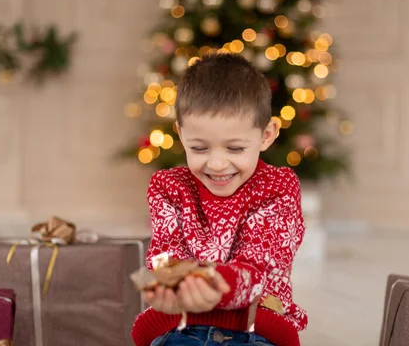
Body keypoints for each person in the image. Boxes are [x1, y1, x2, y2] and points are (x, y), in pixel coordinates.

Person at [131, 53, 307, 346]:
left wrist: (209, 284)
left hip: (255, 329)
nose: (216, 164)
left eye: (235, 149)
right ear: (180, 133)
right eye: (199, 148)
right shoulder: (168, 187)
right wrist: (165, 282)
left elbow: (258, 268)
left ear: (267, 135)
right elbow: (164, 255)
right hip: (179, 328)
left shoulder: (277, 188)